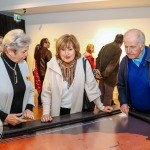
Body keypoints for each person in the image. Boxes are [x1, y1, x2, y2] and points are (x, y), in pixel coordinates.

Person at [41, 34, 113, 122]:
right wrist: (46, 113)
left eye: (70, 49)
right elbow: (46, 92)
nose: (67, 53)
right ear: (58, 51)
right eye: (63, 50)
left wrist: (101, 106)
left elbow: (92, 87)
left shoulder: (83, 63)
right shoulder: (52, 65)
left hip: (77, 112)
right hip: (57, 113)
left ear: (75, 50)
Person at [0, 29, 34, 126]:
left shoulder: (23, 64)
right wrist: (4, 117)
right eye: (24, 51)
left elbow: (30, 89)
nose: (26, 54)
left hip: (20, 122)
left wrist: (29, 107)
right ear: (10, 51)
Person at [117, 29, 150, 116]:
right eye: (126, 46)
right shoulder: (125, 61)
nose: (128, 51)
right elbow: (121, 85)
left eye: (132, 47)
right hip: (135, 112)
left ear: (142, 46)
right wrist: (123, 102)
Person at [96, 34, 123, 106]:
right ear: (121, 42)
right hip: (109, 78)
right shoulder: (118, 49)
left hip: (101, 76)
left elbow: (97, 59)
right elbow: (112, 64)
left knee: (101, 96)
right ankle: (105, 115)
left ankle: (99, 114)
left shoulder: (105, 46)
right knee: (108, 97)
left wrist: (99, 72)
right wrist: (105, 74)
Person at [34, 38, 52, 106]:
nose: (49, 43)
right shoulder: (47, 51)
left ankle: (40, 101)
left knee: (44, 88)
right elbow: (50, 64)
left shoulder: (38, 51)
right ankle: (42, 102)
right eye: (48, 42)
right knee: (47, 88)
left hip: (40, 73)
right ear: (45, 43)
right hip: (46, 73)